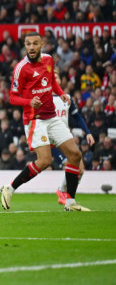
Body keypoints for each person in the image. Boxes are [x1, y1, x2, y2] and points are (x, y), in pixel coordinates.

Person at [0, 32, 89, 211]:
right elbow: (12, 98)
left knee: (75, 155)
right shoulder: (21, 68)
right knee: (45, 160)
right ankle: (9, 188)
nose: (31, 47)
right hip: (35, 120)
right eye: (28, 44)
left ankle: (70, 202)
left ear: (42, 45)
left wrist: (61, 93)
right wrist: (28, 102)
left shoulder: (48, 60)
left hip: (52, 117)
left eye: (35, 43)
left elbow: (51, 83)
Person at [51, 68, 95, 205]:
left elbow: (78, 117)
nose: (55, 79)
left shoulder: (67, 98)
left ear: (60, 80)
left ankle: (62, 190)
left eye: (57, 77)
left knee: (80, 170)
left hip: (66, 138)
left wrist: (87, 132)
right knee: (69, 165)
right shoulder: (44, 99)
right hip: (53, 141)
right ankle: (65, 194)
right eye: (52, 77)